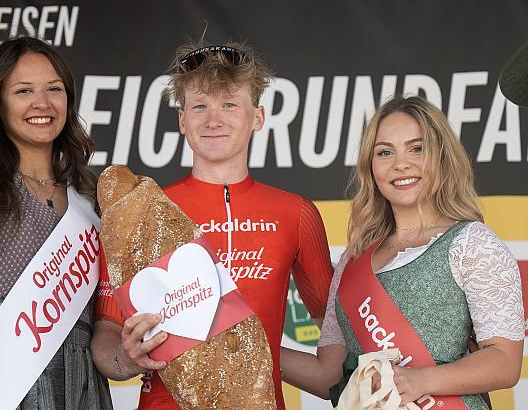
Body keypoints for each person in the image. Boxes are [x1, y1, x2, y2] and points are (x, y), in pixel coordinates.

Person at [91, 40, 334, 409]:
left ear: (258, 117)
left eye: (229, 104)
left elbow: (335, 332)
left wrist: (250, 355)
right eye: (199, 106)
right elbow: (105, 335)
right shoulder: (142, 210)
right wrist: (126, 359)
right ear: (182, 120)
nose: (213, 119)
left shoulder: (296, 213)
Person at [282, 95, 524, 408]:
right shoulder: (353, 260)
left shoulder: (472, 244)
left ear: (441, 156)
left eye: (417, 148)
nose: (401, 163)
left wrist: (420, 380)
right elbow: (330, 376)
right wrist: (258, 349)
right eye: (385, 152)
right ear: (371, 167)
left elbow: (505, 362)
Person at [0, 36, 112, 410]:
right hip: (5, 387)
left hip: (83, 388)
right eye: (23, 90)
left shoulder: (92, 198)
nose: (42, 103)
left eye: (54, 89)